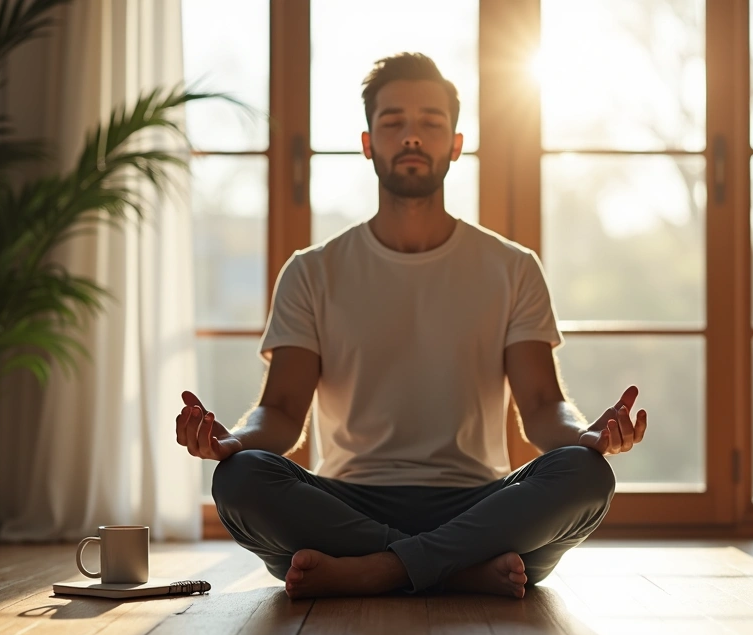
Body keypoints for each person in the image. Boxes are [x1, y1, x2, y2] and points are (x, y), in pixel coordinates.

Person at [174, 52, 648, 600]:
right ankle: (457, 569)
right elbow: (280, 413)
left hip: (477, 502)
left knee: (585, 475)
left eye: (430, 123)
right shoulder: (312, 270)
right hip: (350, 503)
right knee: (241, 479)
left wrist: (589, 436)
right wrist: (232, 441)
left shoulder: (512, 267)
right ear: (368, 143)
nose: (412, 136)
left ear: (456, 144)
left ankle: (376, 570)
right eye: (393, 122)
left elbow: (543, 405)